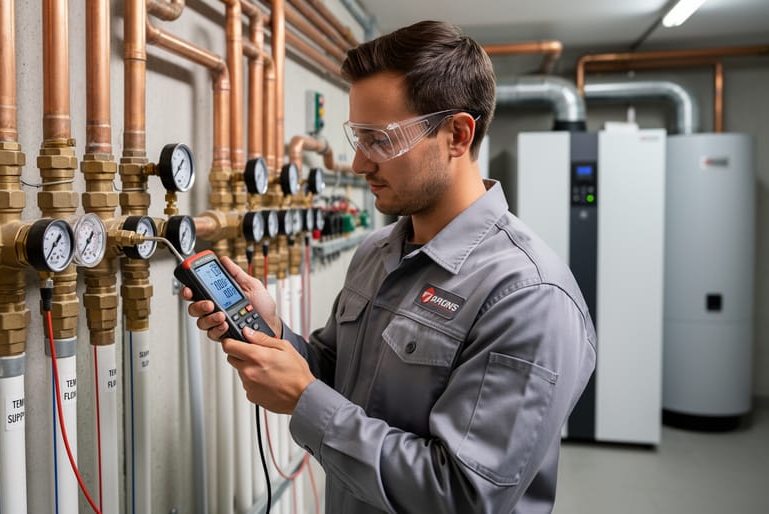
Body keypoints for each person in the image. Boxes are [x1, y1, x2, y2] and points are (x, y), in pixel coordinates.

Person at [183, 20, 596, 514]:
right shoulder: (378, 252)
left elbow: (462, 496)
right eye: (358, 137)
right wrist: (276, 333)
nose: (359, 164)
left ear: (457, 135)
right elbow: (342, 376)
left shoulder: (529, 296)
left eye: (380, 140)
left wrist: (304, 400)